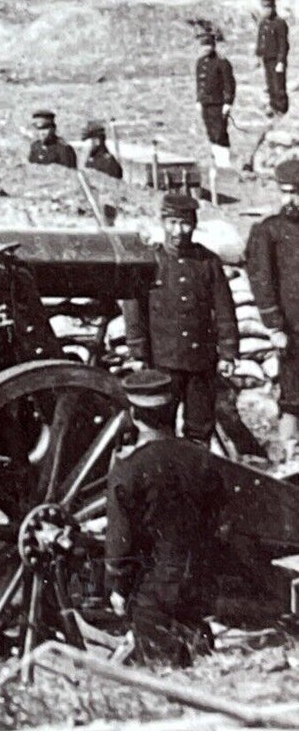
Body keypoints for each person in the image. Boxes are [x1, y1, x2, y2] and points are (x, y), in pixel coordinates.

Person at [105, 369, 222, 667]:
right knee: (196, 651)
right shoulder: (203, 458)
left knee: (160, 663)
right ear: (174, 410)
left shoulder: (129, 469)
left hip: (155, 588)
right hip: (200, 579)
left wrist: (117, 587)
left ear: (134, 415)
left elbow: (120, 541)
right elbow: (217, 520)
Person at [122, 191, 237, 446]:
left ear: (194, 224)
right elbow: (134, 311)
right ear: (162, 222)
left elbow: (225, 310)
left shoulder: (208, 262)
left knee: (199, 431)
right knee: (159, 429)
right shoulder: (151, 261)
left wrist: (228, 353)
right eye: (172, 222)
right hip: (163, 363)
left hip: (201, 364)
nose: (179, 230)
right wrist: (138, 353)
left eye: (185, 223)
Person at [245, 159, 299, 452]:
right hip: (291, 329)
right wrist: (275, 326)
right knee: (293, 394)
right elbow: (261, 280)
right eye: (286, 192)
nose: (291, 200)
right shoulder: (269, 231)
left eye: (297, 193)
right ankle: (289, 453)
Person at [195, 30, 235, 166]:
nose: (206, 48)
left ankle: (224, 163)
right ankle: (217, 162)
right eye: (203, 45)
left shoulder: (222, 63)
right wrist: (198, 100)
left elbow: (229, 83)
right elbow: (199, 83)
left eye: (208, 45)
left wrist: (228, 102)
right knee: (210, 133)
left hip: (218, 103)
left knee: (220, 133)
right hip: (205, 103)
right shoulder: (200, 63)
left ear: (213, 46)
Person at [257, 0, 289, 117]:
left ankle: (282, 109)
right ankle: (273, 106)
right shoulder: (263, 23)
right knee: (270, 84)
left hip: (276, 59)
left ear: (274, 8)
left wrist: (281, 61)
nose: (266, 10)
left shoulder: (280, 23)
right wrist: (258, 55)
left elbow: (283, 44)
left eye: (268, 7)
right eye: (264, 8)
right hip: (267, 59)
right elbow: (260, 41)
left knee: (278, 85)